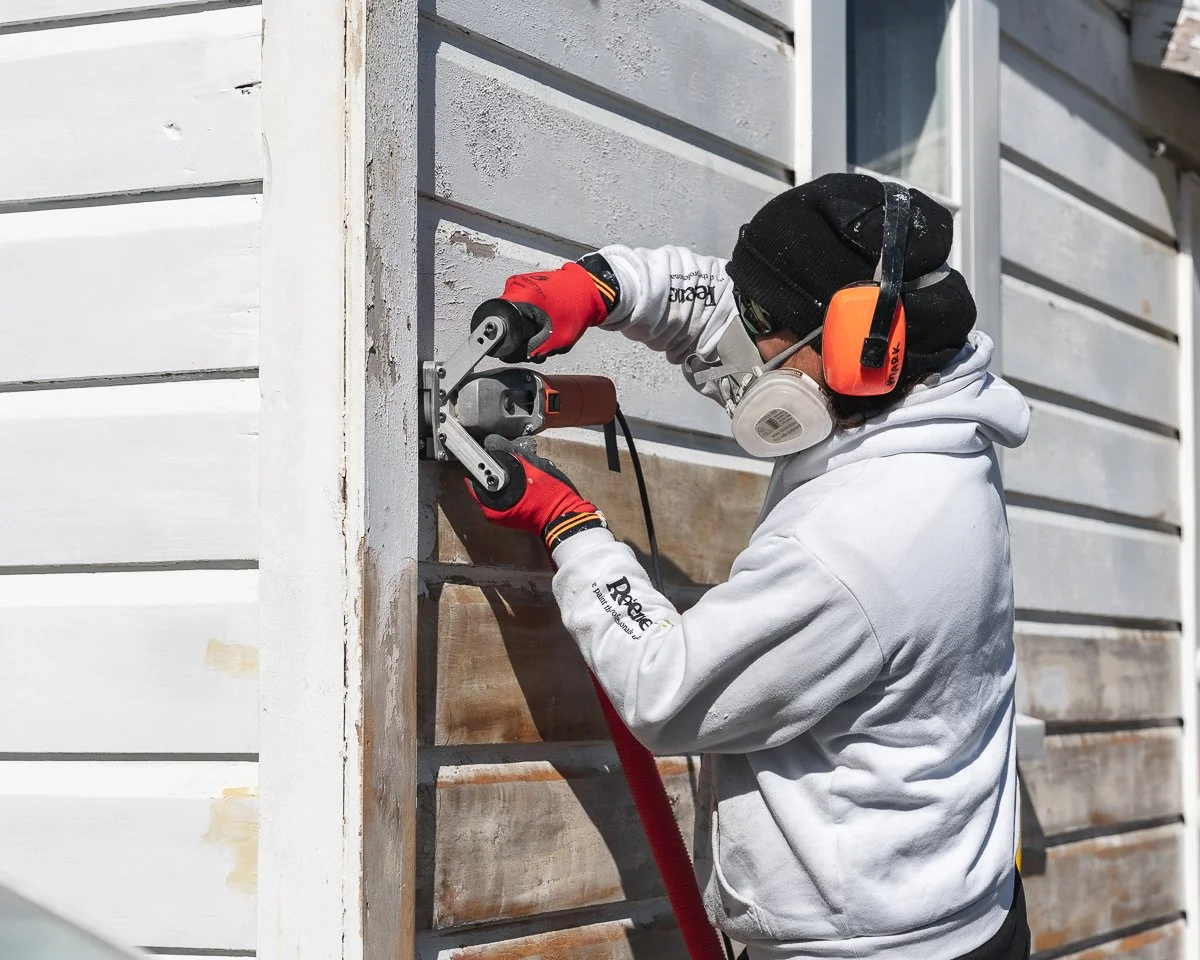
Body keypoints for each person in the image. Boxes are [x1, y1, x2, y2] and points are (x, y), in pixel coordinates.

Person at [464, 172, 1032, 960]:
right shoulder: (930, 399)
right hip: (957, 908)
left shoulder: (860, 540)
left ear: (858, 352)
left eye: (762, 323)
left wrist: (571, 528)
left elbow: (666, 691)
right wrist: (601, 287)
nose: (738, 336)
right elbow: (733, 314)